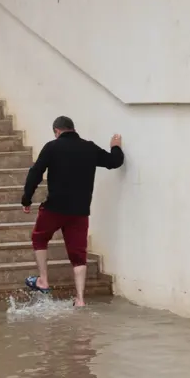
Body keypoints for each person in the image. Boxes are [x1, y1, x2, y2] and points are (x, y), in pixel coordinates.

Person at [21, 116, 124, 307]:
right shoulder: (89, 147)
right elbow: (114, 162)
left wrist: (26, 199)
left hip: (54, 208)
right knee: (78, 254)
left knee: (39, 237)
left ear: (57, 131)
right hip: (80, 211)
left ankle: (43, 279)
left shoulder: (52, 147)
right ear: (73, 129)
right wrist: (115, 146)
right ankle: (80, 299)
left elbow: (35, 172)